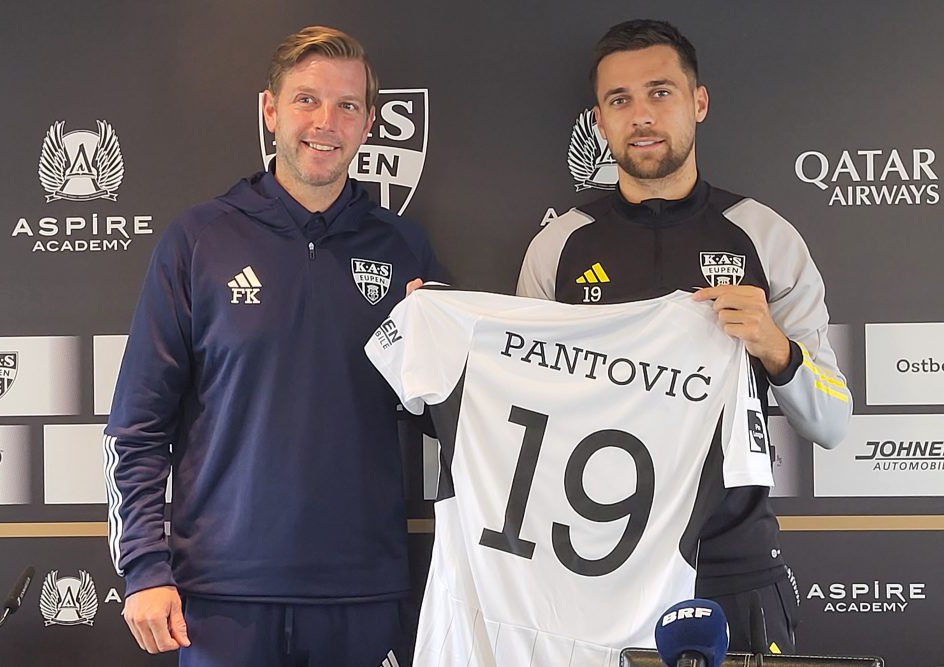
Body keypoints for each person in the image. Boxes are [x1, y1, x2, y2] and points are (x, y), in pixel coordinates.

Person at [103, 25, 441, 667]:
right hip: (222, 598)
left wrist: (440, 348)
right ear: (270, 110)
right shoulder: (199, 240)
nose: (326, 122)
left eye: (347, 105)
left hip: (362, 594)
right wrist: (145, 567)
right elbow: (137, 426)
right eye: (307, 100)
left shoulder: (404, 251)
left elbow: (450, 416)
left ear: (369, 122)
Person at [517, 19, 851, 653]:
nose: (641, 115)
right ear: (599, 119)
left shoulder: (764, 235)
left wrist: (777, 349)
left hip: (734, 569)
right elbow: (521, 409)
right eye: (620, 100)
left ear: (698, 102)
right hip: (596, 566)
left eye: (660, 92)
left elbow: (833, 422)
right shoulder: (558, 245)